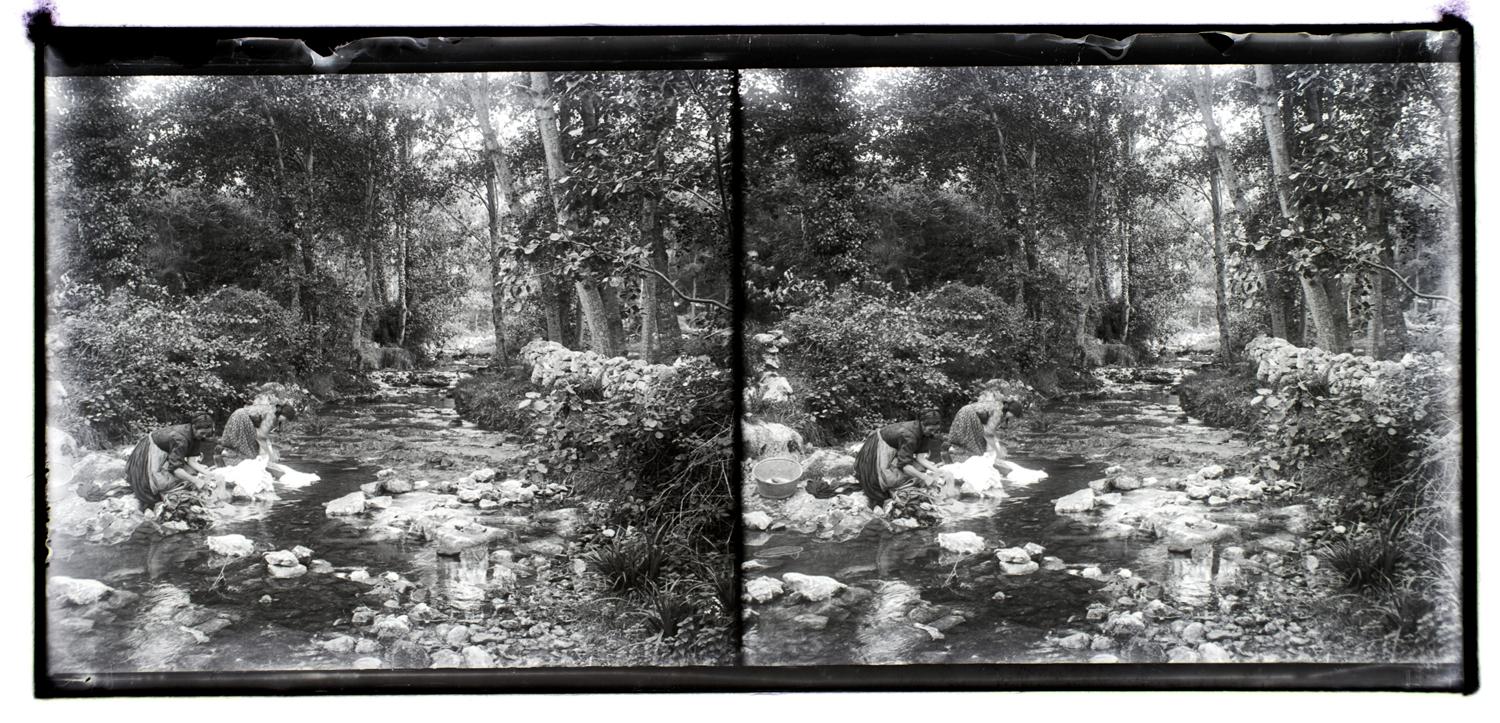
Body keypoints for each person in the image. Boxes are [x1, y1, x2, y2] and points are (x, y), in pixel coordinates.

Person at [853, 409, 950, 509]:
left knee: (919, 469)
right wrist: (924, 477)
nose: (933, 433)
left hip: (893, 449)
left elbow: (921, 458)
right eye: (931, 430)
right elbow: (905, 466)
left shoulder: (925, 433)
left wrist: (938, 471)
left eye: (936, 430)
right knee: (891, 480)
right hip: (876, 449)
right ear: (922, 424)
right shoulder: (909, 436)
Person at [125, 413, 216, 510]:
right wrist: (196, 481)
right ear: (194, 427)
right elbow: (175, 469)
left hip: (167, 450)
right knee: (159, 484)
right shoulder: (180, 439)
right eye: (202, 433)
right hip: (151, 449)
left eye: (207, 434)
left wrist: (209, 474)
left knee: (191, 472)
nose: (204, 436)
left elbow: (192, 461)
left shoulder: (197, 436)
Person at [945, 397, 1025, 466]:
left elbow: (990, 429)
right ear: (1010, 410)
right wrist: (998, 451)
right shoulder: (999, 411)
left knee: (962, 441)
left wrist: (997, 444)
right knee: (977, 446)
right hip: (970, 416)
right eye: (1014, 415)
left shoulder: (998, 406)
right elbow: (988, 433)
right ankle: (962, 461)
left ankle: (953, 455)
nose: (1013, 418)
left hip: (964, 412)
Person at [218, 400, 297, 467]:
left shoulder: (271, 410)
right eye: (286, 419)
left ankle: (225, 456)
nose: (285, 421)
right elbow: (261, 436)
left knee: (238, 446)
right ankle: (231, 461)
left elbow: (262, 433)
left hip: (238, 415)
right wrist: (270, 456)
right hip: (242, 419)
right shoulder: (271, 415)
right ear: (283, 414)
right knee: (249, 452)